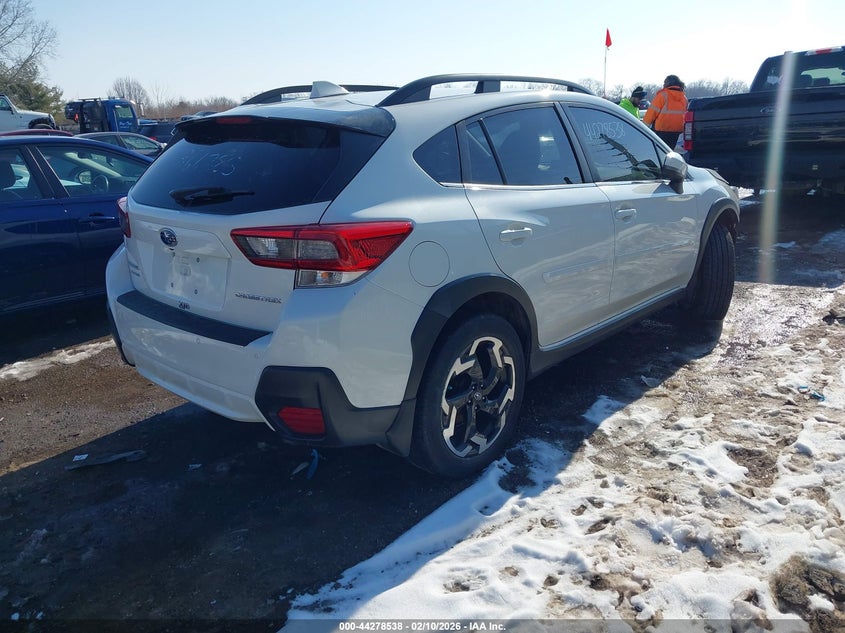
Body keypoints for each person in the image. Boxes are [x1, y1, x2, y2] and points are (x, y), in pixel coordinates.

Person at [643, 74, 688, 148]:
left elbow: (651, 113)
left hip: (662, 131)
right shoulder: (684, 98)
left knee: (662, 152)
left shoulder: (662, 96)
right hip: (678, 133)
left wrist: (644, 127)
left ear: (668, 83)